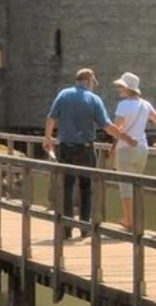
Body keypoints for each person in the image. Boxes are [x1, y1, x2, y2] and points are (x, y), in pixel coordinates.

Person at [42, 67, 133, 237]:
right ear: (88, 80)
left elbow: (51, 118)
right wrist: (126, 138)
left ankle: (66, 229)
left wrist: (48, 138)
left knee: (67, 188)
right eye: (93, 82)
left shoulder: (63, 95)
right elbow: (106, 126)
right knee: (86, 188)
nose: (94, 85)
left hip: (65, 147)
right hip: (85, 148)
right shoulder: (93, 99)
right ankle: (85, 228)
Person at [110, 72, 156, 233]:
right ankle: (136, 218)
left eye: (120, 86)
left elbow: (117, 129)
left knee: (125, 186)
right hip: (143, 147)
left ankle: (129, 220)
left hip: (125, 148)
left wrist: (113, 145)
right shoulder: (145, 104)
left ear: (128, 88)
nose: (118, 89)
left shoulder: (123, 105)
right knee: (136, 184)